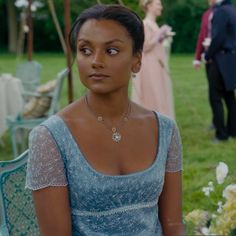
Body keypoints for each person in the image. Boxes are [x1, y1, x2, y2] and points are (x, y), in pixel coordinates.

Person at [25, 4, 184, 235]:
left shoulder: (165, 130)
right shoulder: (50, 138)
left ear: (137, 60)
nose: (95, 61)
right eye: (85, 50)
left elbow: (174, 225)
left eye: (111, 51)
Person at [131, 0, 175, 119]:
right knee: (152, 93)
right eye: (158, 4)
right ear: (149, 6)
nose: (161, 7)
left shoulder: (154, 24)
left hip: (157, 63)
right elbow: (145, 46)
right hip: (149, 65)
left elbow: (155, 43)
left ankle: (160, 120)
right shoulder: (145, 24)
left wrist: (162, 36)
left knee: (159, 92)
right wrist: (160, 34)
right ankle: (151, 120)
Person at [205, 0, 236, 141]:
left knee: (215, 96)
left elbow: (218, 37)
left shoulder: (220, 11)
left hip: (221, 58)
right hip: (232, 57)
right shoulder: (233, 9)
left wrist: (208, 54)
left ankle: (221, 134)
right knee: (230, 96)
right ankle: (233, 131)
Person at [193, 0, 216, 130]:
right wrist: (197, 58)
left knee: (226, 93)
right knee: (213, 91)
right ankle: (216, 120)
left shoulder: (226, 12)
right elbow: (202, 35)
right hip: (209, 58)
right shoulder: (206, 14)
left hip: (223, 58)